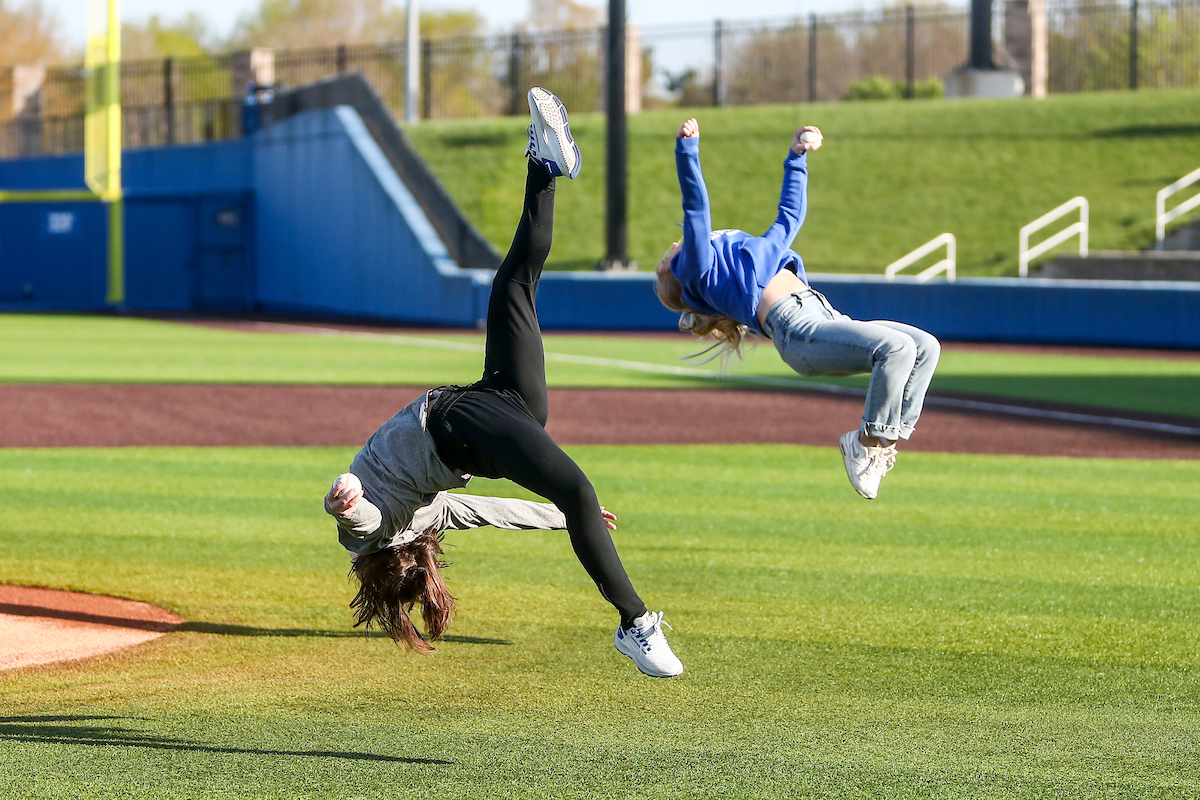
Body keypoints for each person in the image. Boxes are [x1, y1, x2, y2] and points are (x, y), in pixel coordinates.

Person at [325, 87, 683, 678]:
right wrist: (345, 496)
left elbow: (490, 511)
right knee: (575, 488)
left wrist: (568, 515)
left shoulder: (424, 518)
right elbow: (358, 520)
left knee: (514, 286)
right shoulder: (382, 532)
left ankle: (543, 166)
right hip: (460, 426)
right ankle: (635, 624)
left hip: (498, 405)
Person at [654, 118, 940, 500]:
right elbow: (695, 209)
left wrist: (797, 157)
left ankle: (882, 447)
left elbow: (790, 217)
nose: (671, 246)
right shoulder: (699, 270)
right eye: (665, 257)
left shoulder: (750, 253)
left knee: (925, 346)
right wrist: (688, 152)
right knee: (897, 349)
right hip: (796, 329)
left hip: (822, 315)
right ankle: (868, 443)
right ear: (674, 270)